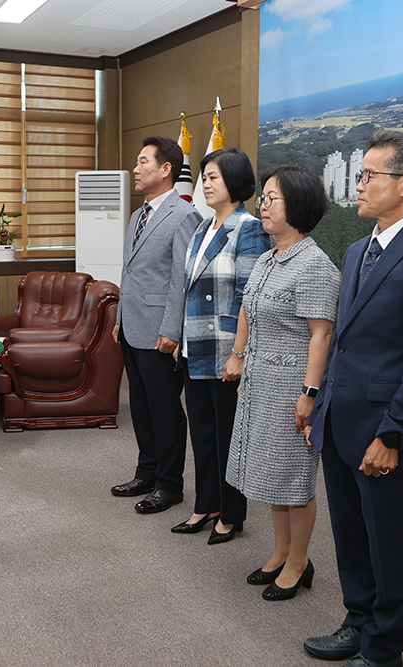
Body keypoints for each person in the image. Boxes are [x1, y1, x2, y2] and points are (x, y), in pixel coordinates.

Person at [303, 130, 403, 667]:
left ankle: (383, 650)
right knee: (351, 539)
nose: (359, 184)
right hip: (340, 421)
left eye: (369, 175)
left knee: (389, 547)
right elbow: (345, 342)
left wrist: (393, 434)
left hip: (386, 433)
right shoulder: (356, 251)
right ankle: (358, 622)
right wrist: (321, 406)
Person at [225, 166, 339, 599]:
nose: (263, 206)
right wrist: (240, 360)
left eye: (273, 198)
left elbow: (321, 334)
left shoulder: (314, 265)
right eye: (264, 197)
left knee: (293, 478)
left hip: (293, 385)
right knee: (272, 474)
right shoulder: (268, 258)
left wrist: (310, 393)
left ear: (299, 206)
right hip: (260, 383)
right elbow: (248, 310)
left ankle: (299, 561)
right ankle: (279, 552)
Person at [171, 148, 267, 544]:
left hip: (227, 349)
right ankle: (205, 504)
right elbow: (188, 290)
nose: (205, 184)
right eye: (204, 178)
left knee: (229, 436)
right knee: (204, 433)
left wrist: (238, 354)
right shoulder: (201, 228)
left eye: (213, 177)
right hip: (197, 347)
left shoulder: (249, 228)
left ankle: (231, 513)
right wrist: (180, 338)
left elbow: (249, 296)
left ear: (235, 182)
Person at [110, 136, 202, 514]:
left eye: (143, 161)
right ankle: (146, 472)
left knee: (164, 410)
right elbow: (130, 271)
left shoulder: (184, 215)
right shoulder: (138, 213)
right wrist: (118, 317)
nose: (136, 168)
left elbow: (181, 279)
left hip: (160, 331)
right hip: (132, 325)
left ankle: (170, 485)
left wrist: (171, 330)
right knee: (142, 408)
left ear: (166, 169)